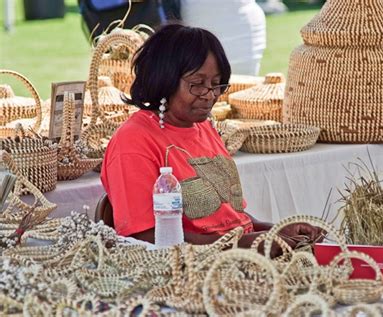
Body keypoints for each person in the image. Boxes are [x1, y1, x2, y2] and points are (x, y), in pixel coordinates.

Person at [101, 23, 321, 256]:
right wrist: (252, 244)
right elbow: (147, 238)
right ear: (164, 80)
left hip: (237, 259)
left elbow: (231, 217)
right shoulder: (134, 142)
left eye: (217, 85)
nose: (210, 95)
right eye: (197, 85)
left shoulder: (204, 127)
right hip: (186, 272)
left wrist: (277, 231)